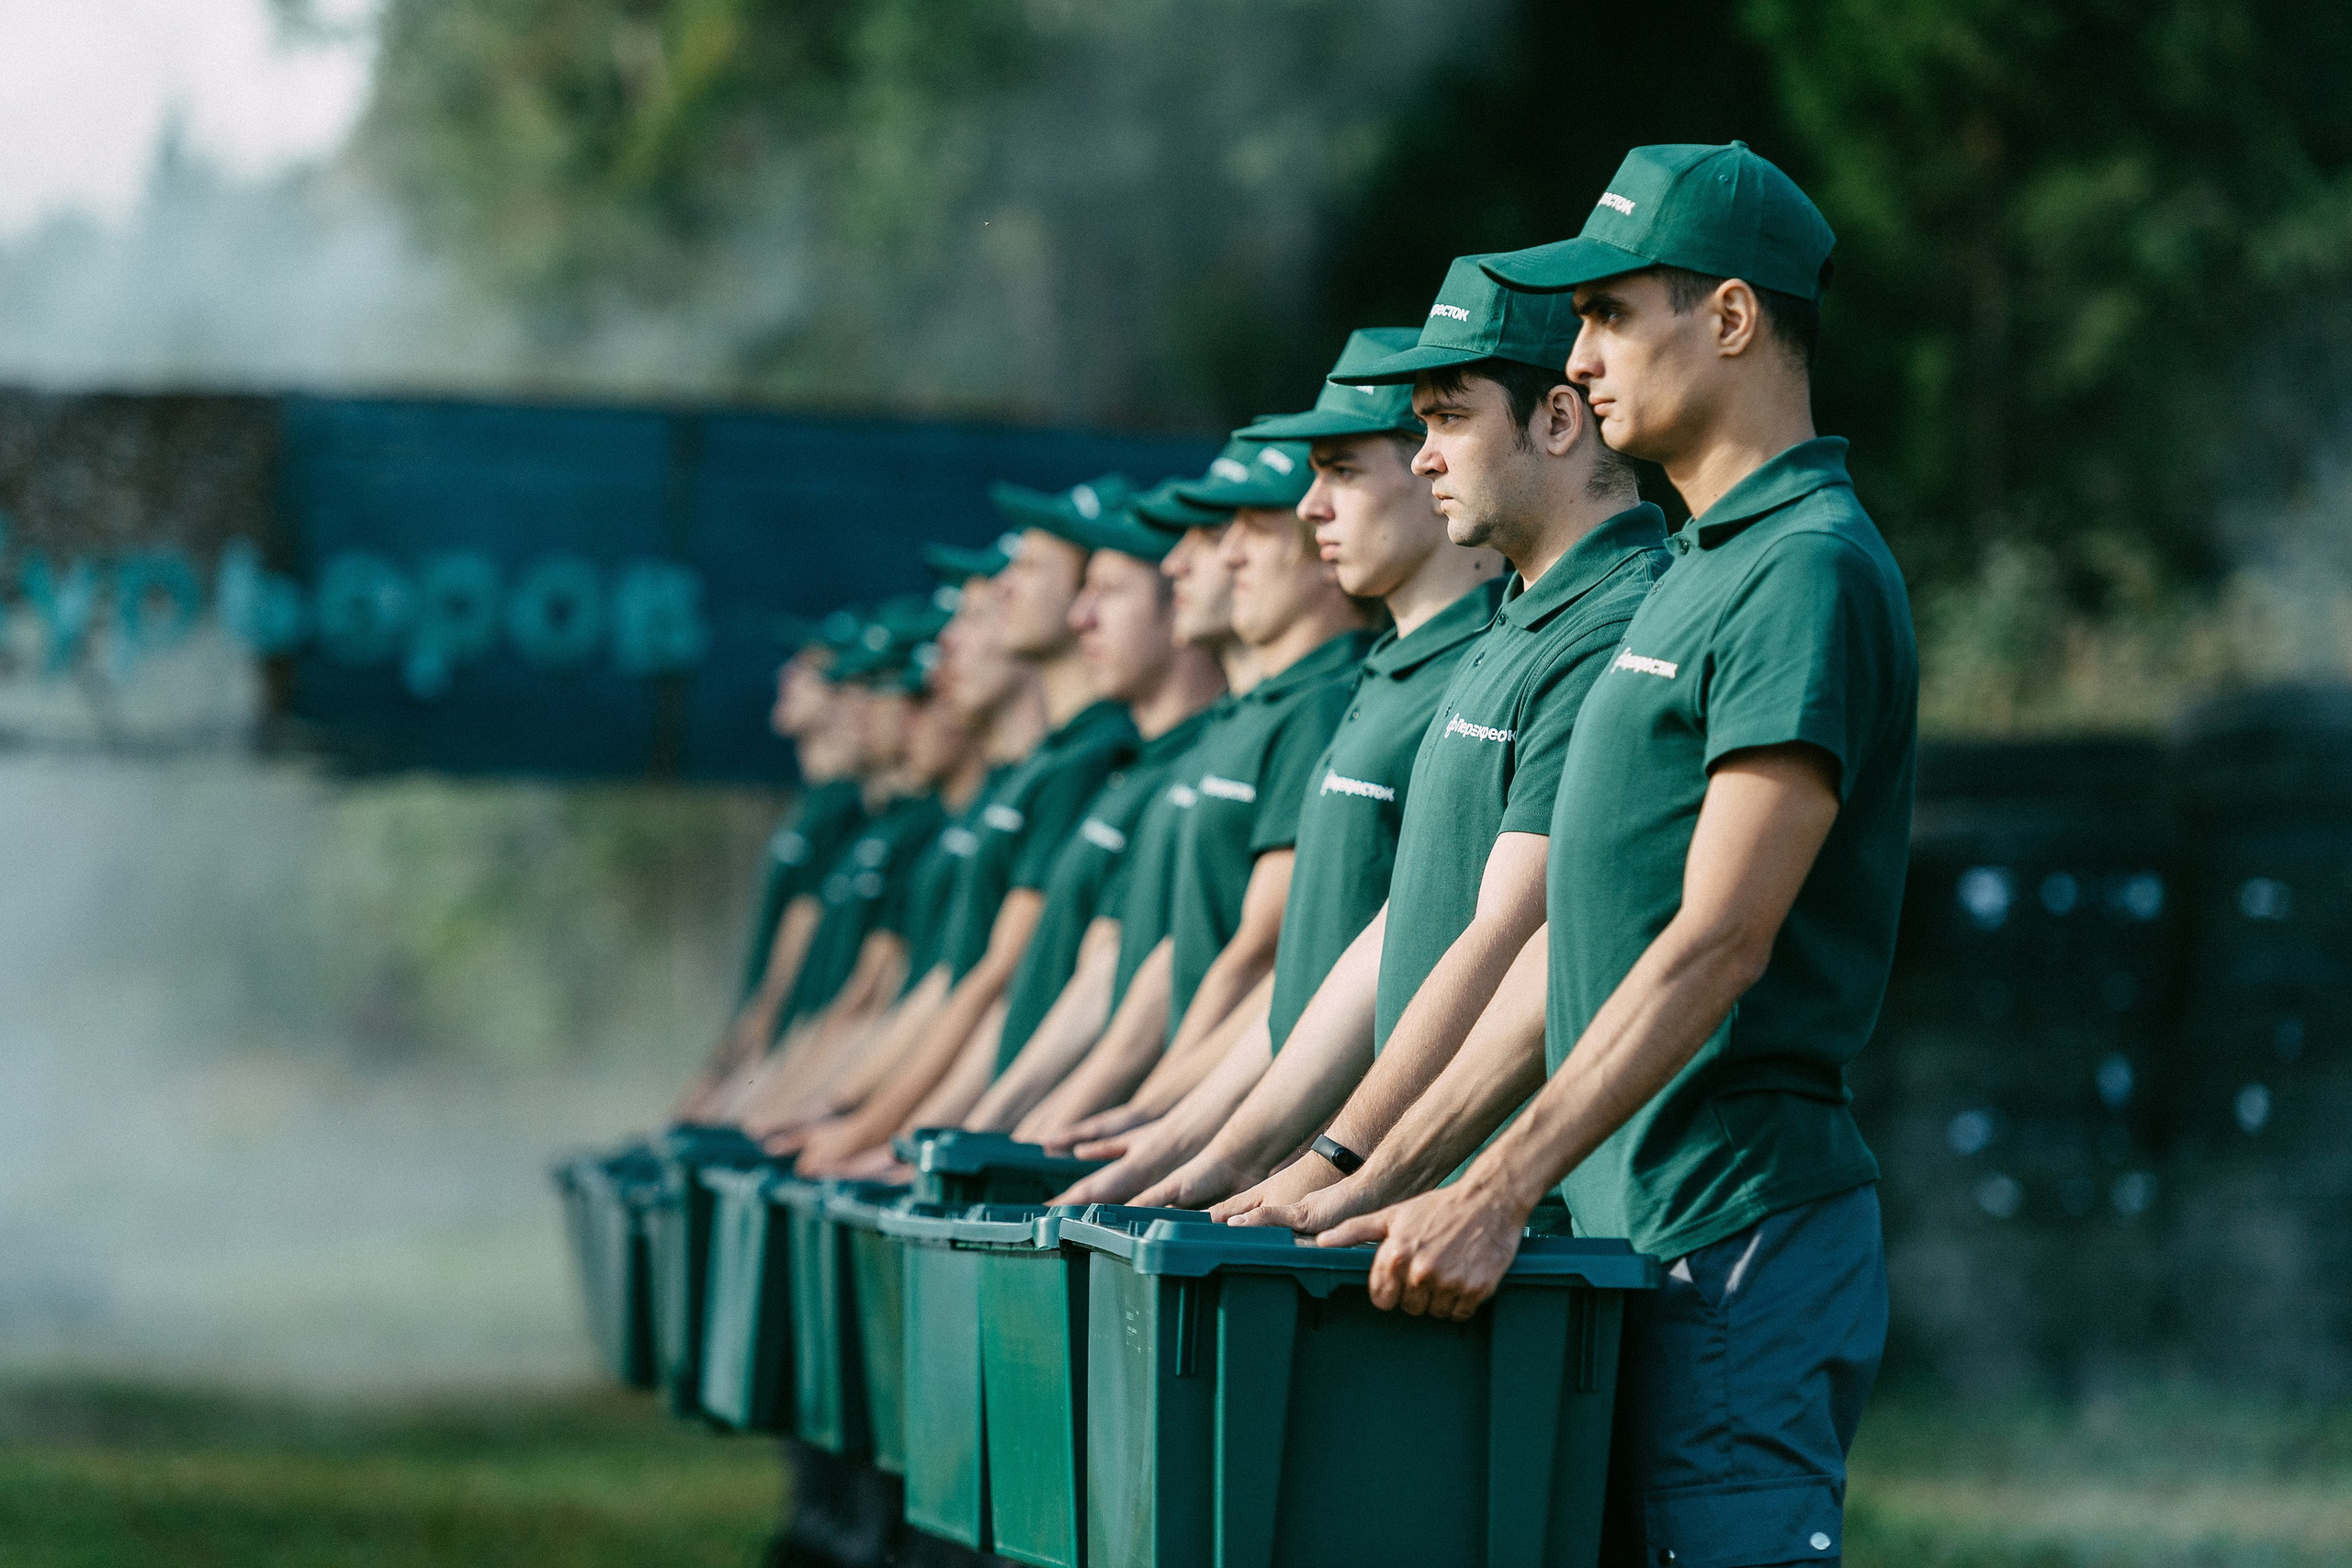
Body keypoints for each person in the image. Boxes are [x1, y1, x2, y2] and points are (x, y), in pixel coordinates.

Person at [1313, 142, 1917, 1568]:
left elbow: (1717, 939)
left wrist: (1496, 1185)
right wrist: (1381, 1171)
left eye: (1608, 316)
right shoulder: (1705, 566)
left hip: (1736, 1234)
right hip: (1623, 1233)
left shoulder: (1806, 569)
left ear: (1729, 317)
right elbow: (1571, 948)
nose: (1576, 361)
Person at [1113, 254, 1671, 1215]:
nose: (1422, 456)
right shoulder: (1514, 623)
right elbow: (1383, 940)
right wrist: (1218, 1156)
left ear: (1556, 420)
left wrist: (1341, 1165)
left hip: (1493, 1207)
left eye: (1447, 420)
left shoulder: (1615, 623)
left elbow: (1515, 935)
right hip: (1413, 1197)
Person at [1054, 324, 1512, 1201]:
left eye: (1341, 472)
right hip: (1335, 1179)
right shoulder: (1382, 680)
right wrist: (1189, 1141)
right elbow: (1315, 983)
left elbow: (1298, 959)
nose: (1311, 509)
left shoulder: (1466, 670)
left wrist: (1313, 1157)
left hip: (1410, 1191)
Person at [1020, 434, 1376, 1145]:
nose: (1193, 559)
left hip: (1263, 1156)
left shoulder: (1321, 708)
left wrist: (1151, 1121)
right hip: (1201, 1134)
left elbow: (1265, 959)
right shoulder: (1232, 727)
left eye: (1232, 532)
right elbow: (1143, 962)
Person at [794, 478, 1140, 1176]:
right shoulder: (1043, 767)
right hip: (994, 1120)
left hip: (1029, 1136)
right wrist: (855, 1116)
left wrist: (904, 1133)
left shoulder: (1094, 756)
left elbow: (999, 977)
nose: (951, 643)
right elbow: (935, 984)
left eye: (1028, 573)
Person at [984, 470, 1262, 1136]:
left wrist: (1016, 1129)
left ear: (1175, 615)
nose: (1083, 616)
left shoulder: (1197, 751)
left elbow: (1256, 965)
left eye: (1107, 592)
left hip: (1171, 1159)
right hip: (1124, 1141)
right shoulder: (1140, 765)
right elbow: (1105, 965)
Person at [674, 619, 867, 1117]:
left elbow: (796, 948)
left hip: (793, 1048)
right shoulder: (813, 804)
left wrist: (745, 1059)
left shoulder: (844, 808)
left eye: (812, 669)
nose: (789, 675)